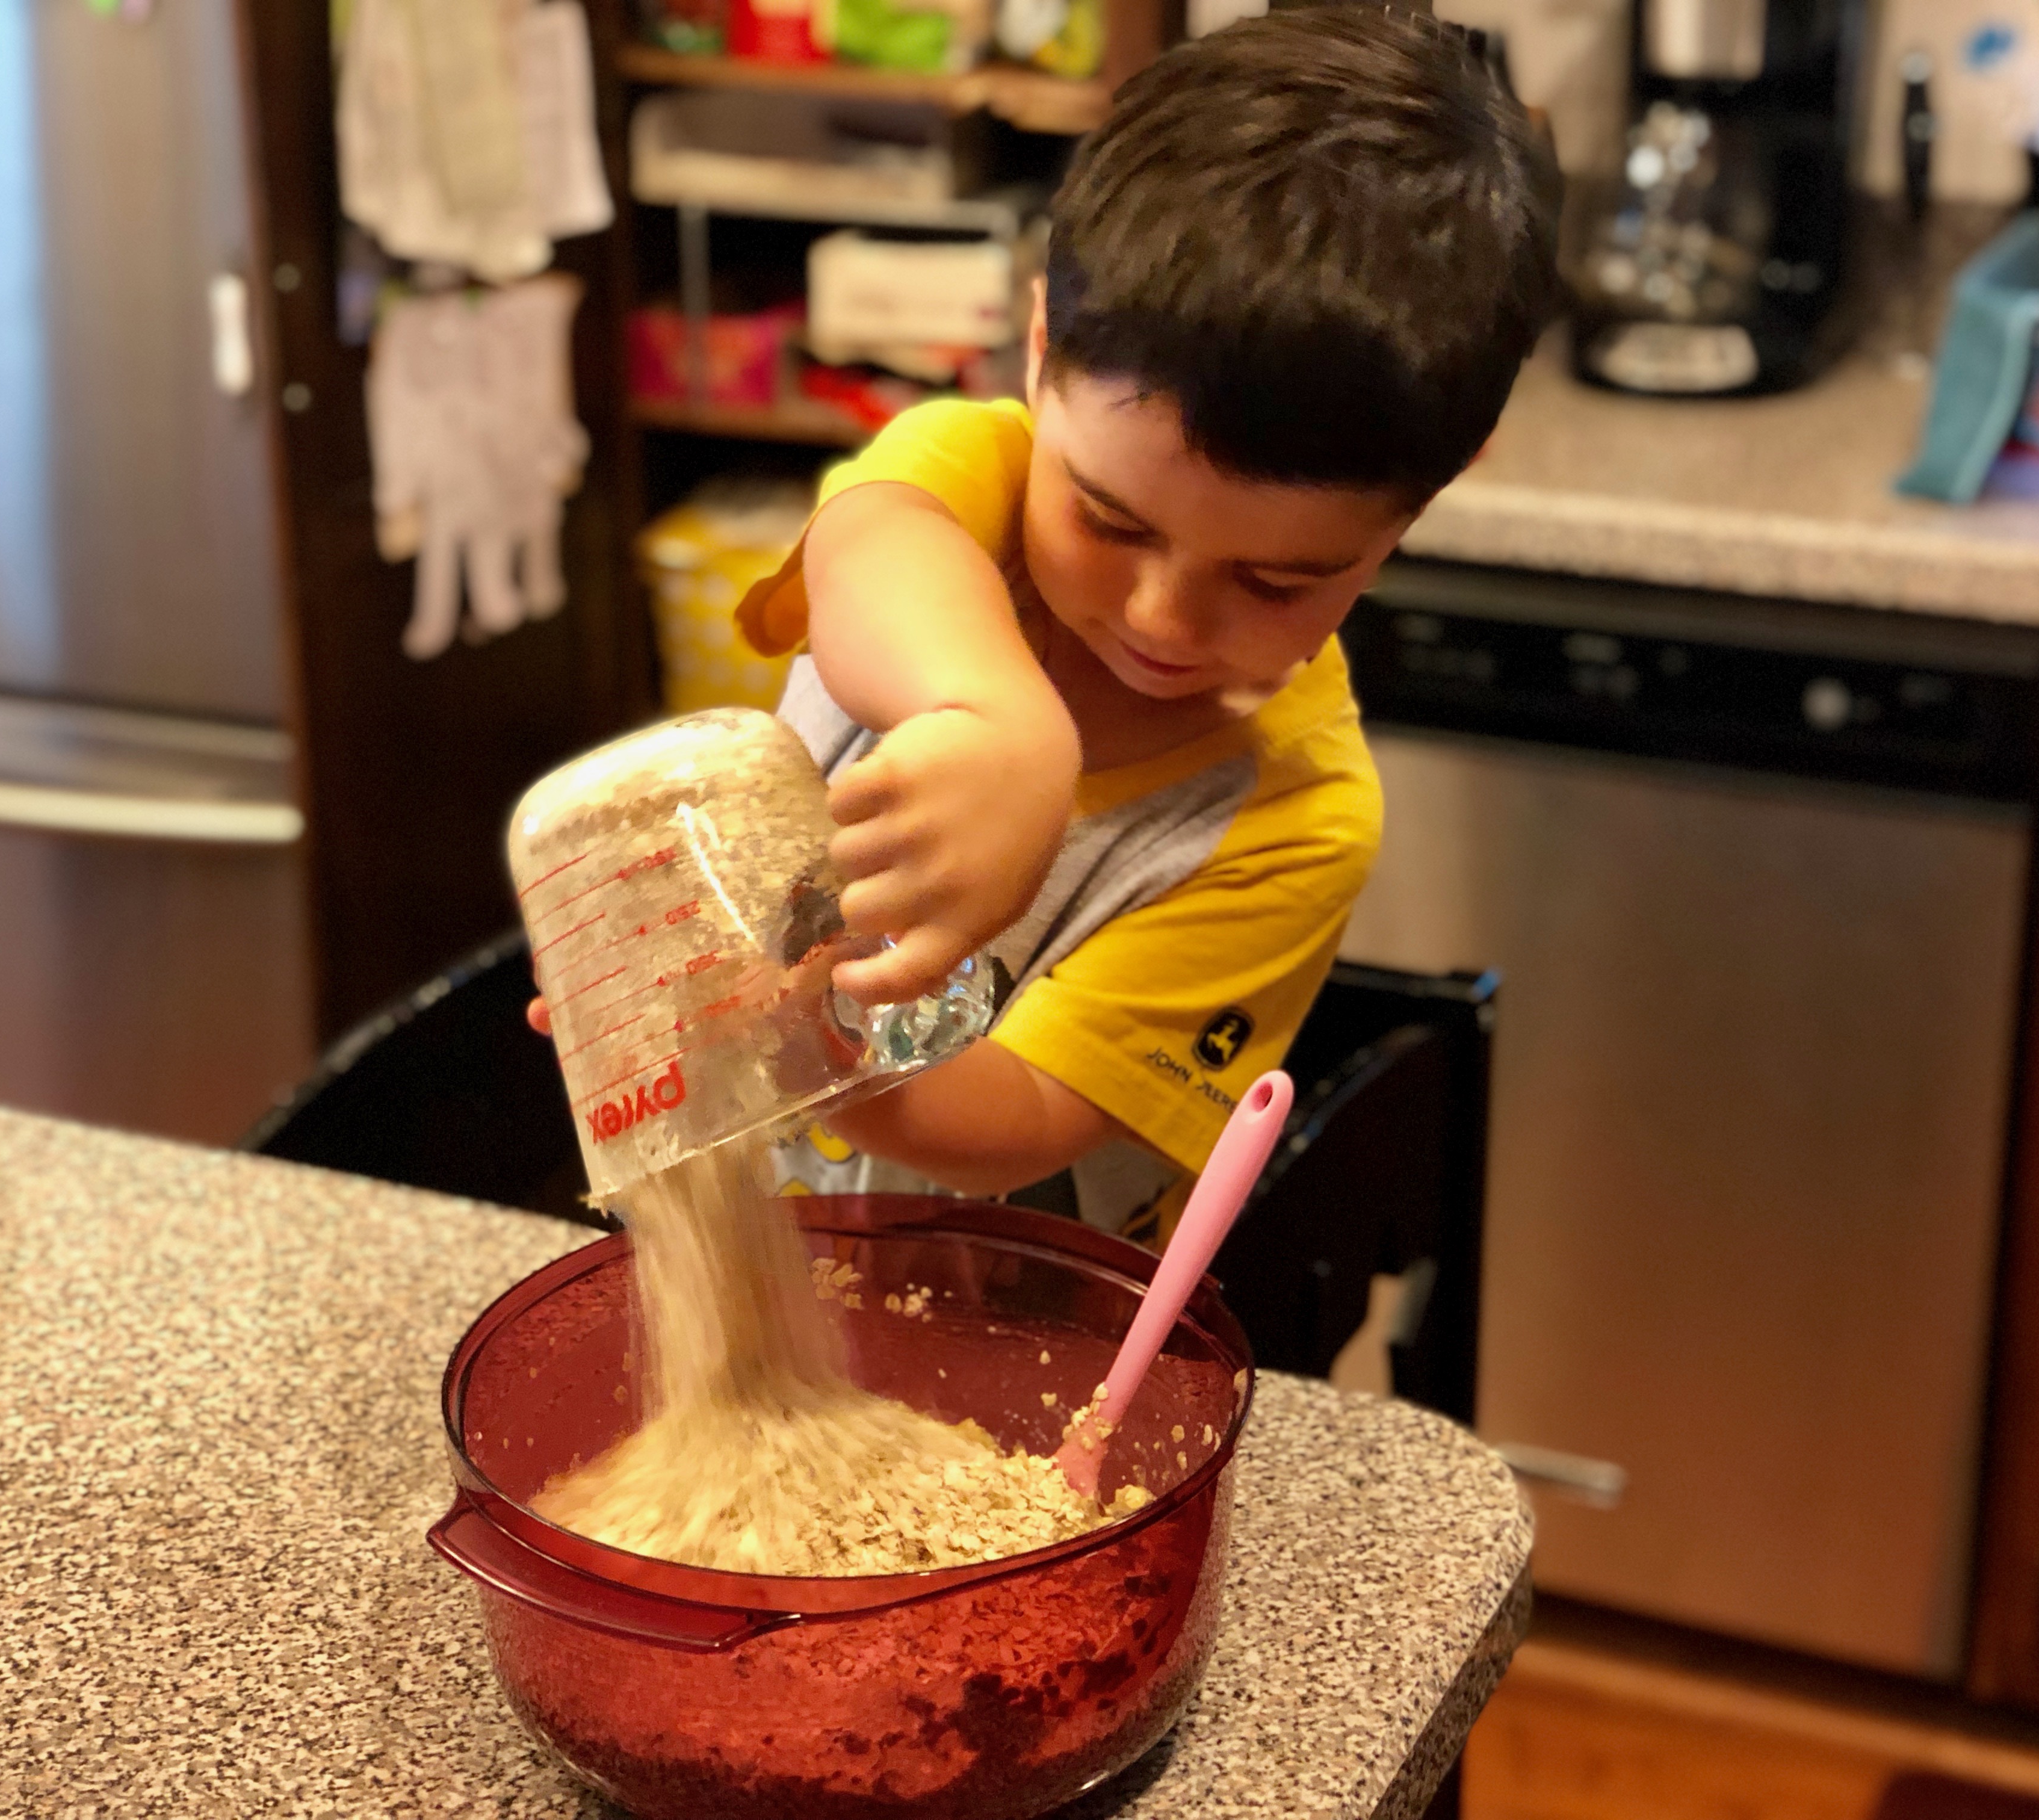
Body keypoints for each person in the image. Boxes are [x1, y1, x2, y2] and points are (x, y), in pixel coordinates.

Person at [589, 6, 1558, 1240]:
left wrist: (793, 1039)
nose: (1163, 616)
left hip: (1007, 1321)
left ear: (1436, 487)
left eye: (1275, 585)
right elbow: (869, 554)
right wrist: (998, 728)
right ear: (1040, 347)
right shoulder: (967, 480)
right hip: (743, 1228)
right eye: (1109, 520)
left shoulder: (1293, 819)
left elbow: (1018, 1126)